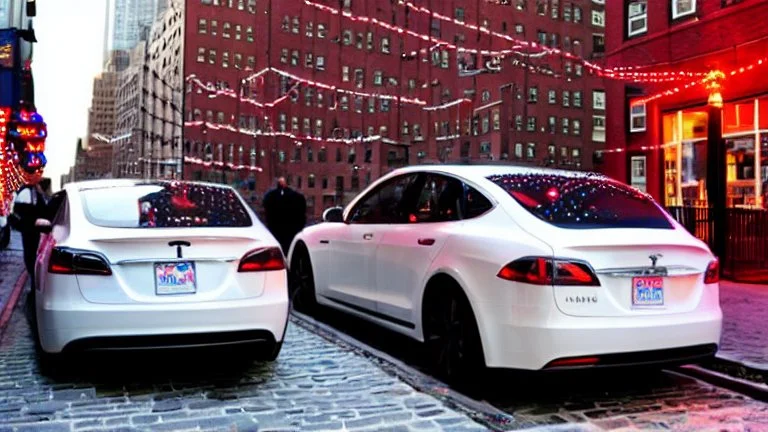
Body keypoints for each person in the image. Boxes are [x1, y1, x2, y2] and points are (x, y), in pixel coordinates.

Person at [10, 176, 49, 284]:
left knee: (31, 257)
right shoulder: (27, 192)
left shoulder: (36, 194)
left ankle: (33, 282)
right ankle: (33, 282)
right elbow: (21, 212)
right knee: (30, 257)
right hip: (30, 231)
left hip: (33, 231)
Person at [262, 177, 307, 255]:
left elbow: (266, 212)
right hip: (292, 231)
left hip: (274, 230)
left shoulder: (270, 196)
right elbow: (302, 215)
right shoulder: (298, 197)